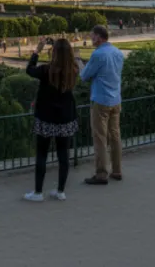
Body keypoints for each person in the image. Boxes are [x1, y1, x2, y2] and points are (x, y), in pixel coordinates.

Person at [23, 39, 79, 202]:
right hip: (65, 118)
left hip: (46, 117)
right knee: (64, 155)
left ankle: (38, 192)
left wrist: (36, 51)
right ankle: (60, 190)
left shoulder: (46, 70)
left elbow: (29, 70)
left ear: (53, 52)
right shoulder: (73, 70)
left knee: (41, 154)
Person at [80, 25, 124, 184]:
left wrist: (80, 64)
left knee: (100, 138)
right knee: (115, 136)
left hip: (100, 100)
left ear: (99, 37)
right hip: (116, 99)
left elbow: (84, 76)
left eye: (92, 36)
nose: (91, 39)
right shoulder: (118, 53)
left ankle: (101, 173)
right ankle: (117, 171)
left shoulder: (98, 54)